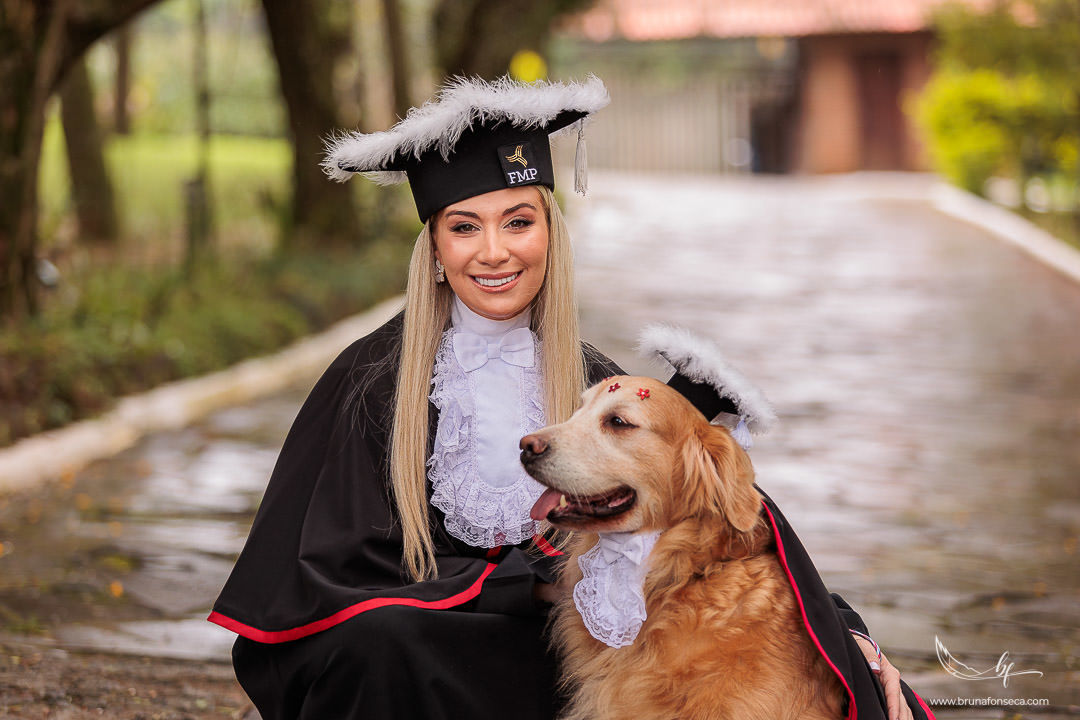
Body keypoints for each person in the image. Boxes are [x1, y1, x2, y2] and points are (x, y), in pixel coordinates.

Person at [209, 76, 929, 720]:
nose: (494, 252)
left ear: (552, 233)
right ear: (433, 249)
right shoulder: (372, 379)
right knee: (382, 639)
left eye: (518, 221)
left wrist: (844, 632)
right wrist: (516, 586)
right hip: (423, 648)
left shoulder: (592, 377)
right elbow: (321, 574)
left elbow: (723, 511)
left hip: (557, 660)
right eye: (465, 228)